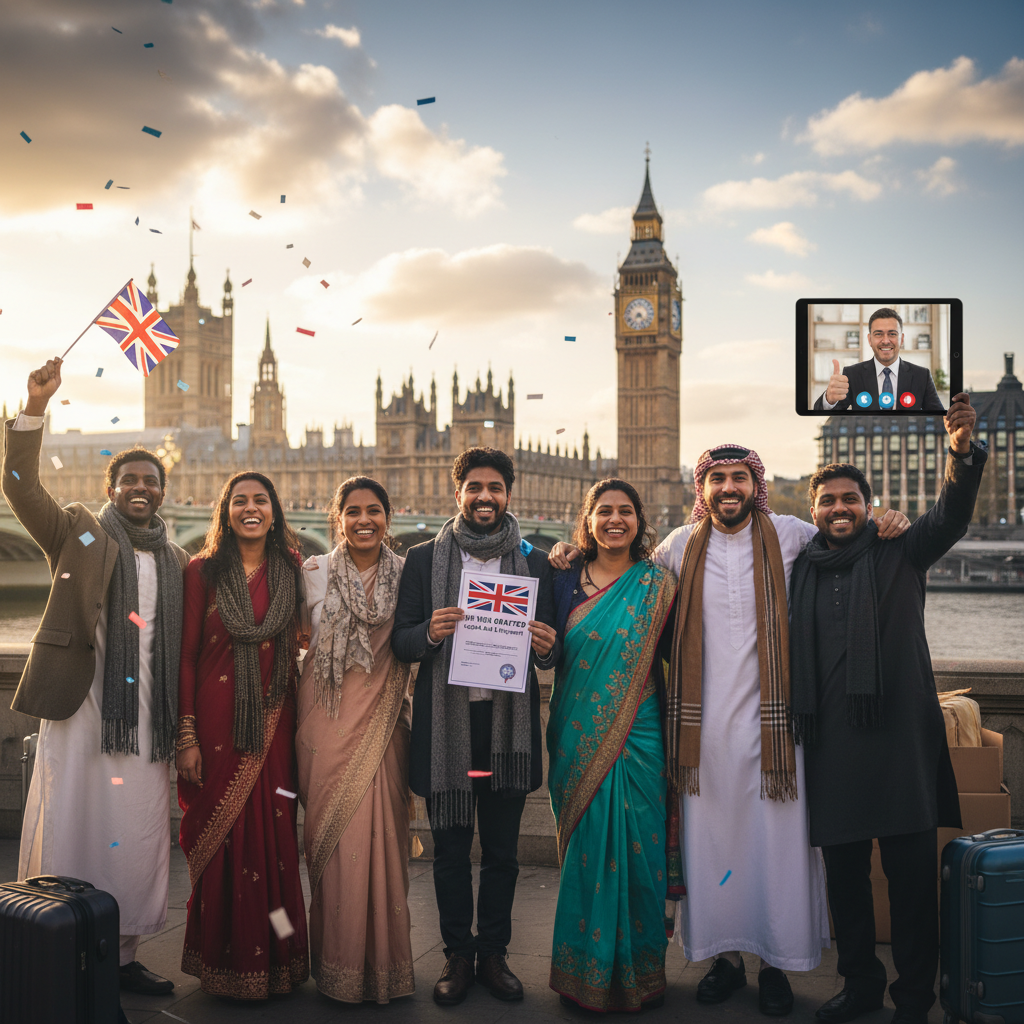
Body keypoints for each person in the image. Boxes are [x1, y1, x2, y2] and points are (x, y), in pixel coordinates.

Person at [550, 445, 910, 1015]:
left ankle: (774, 967)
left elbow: (848, 539)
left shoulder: (791, 534)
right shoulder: (678, 547)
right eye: (717, 478)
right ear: (704, 488)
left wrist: (889, 519)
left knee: (777, 851)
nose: (728, 488)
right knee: (712, 848)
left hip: (777, 732)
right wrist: (569, 554)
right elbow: (622, 576)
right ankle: (726, 959)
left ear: (754, 485)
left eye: (739, 478)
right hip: (704, 733)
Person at [791, 393, 985, 1024]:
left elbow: (952, 515)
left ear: (868, 507)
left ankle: (912, 998)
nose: (840, 509)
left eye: (851, 499)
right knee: (845, 883)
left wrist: (960, 452)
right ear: (813, 511)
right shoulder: (801, 570)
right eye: (829, 501)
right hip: (831, 749)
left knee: (909, 887)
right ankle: (860, 986)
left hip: (900, 743)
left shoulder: (902, 549)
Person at [4, 357, 183, 999]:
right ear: (111, 488)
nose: (142, 488)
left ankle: (124, 949)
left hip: (146, 723)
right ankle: (57, 937)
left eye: (151, 480)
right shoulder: (79, 532)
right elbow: (21, 486)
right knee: (72, 825)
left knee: (137, 835)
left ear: (162, 492)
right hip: (84, 710)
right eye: (130, 479)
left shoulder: (180, 558)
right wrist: (33, 408)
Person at [392, 446, 560, 1006]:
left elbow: (551, 650)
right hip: (447, 729)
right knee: (449, 852)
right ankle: (456, 956)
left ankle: (494, 954)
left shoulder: (536, 563)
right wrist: (432, 633)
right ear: (457, 492)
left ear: (509, 493)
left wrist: (544, 647)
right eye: (474, 487)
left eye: (495, 487)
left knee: (503, 853)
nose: (484, 497)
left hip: (505, 731)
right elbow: (402, 641)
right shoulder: (422, 560)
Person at [176, 471, 309, 999]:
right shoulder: (202, 571)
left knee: (275, 842)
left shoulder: (294, 570)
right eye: (239, 501)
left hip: (276, 721)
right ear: (224, 511)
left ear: (275, 511)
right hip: (213, 724)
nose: (250, 509)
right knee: (224, 841)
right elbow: (186, 657)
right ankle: (222, 956)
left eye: (260, 501)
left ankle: (278, 954)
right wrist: (185, 735)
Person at [547, 479, 678, 1013]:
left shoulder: (660, 583)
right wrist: (539, 649)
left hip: (642, 733)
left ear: (639, 521)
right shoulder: (561, 578)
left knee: (641, 850)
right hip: (577, 730)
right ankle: (584, 973)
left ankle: (639, 972)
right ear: (589, 520)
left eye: (625, 512)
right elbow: (547, 653)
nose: (615, 520)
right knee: (588, 847)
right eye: (605, 512)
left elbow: (686, 655)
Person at [297, 476, 415, 1003]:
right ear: (337, 518)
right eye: (353, 512)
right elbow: (286, 640)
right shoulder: (312, 572)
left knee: (384, 843)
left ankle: (384, 967)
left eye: (374, 511)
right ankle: (337, 963)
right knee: (333, 845)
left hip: (384, 726)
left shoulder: (412, 577)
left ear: (388, 518)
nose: (363, 520)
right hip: (322, 725)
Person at [814, 307, 944, 412]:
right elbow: (827, 415)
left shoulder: (922, 375)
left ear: (902, 339)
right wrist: (829, 400)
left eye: (892, 334)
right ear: (870, 339)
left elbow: (939, 418)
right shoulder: (852, 374)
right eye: (878, 334)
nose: (886, 341)